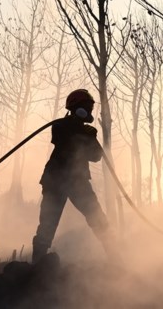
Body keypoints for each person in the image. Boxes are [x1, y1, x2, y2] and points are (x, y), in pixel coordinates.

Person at [31, 88, 111, 261]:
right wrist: (84, 134)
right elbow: (64, 142)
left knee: (98, 219)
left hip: (78, 181)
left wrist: (91, 137)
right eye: (85, 107)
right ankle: (36, 266)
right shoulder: (60, 125)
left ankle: (116, 258)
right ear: (75, 108)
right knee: (47, 224)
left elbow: (96, 156)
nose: (88, 111)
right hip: (55, 180)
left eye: (90, 108)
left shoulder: (86, 132)